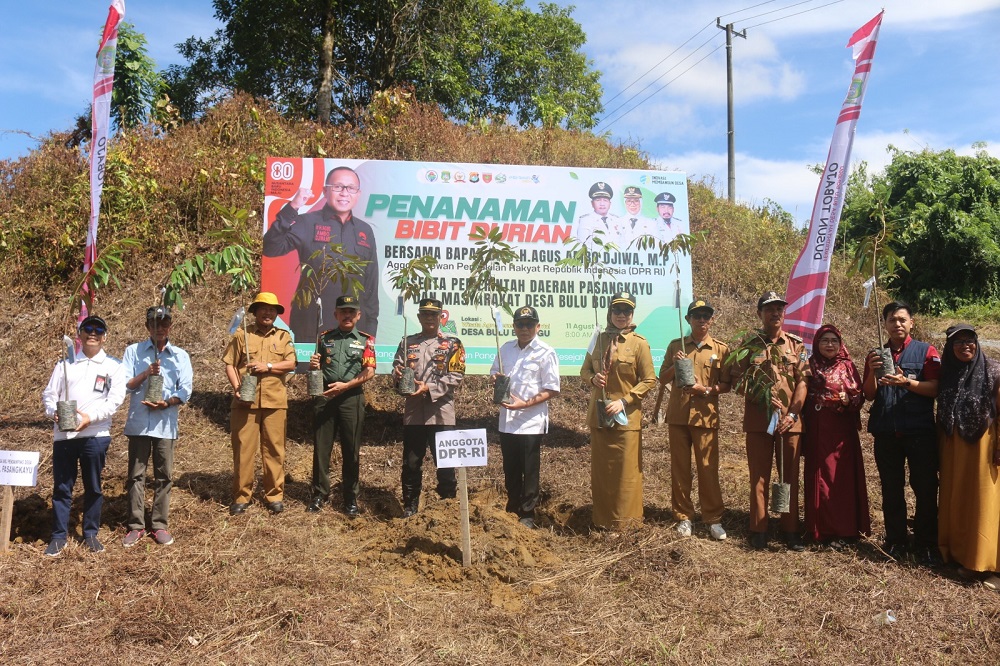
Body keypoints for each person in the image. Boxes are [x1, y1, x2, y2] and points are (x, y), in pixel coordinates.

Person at [41, 315, 127, 556]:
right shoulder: (65, 364)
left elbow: (114, 401)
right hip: (65, 437)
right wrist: (54, 412)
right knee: (62, 488)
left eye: (98, 329)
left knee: (93, 487)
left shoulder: (114, 366)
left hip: (96, 435)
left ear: (105, 336)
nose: (92, 333)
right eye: (87, 328)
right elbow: (49, 395)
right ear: (79, 335)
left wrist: (90, 418)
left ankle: (90, 533)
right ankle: (58, 536)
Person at [263, 165, 379, 340]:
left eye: (351, 188)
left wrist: (370, 330)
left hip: (353, 324)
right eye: (338, 187)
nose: (344, 193)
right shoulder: (306, 222)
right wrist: (293, 207)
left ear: (358, 194)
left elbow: (371, 283)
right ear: (325, 191)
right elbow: (271, 248)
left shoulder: (364, 230)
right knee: (308, 367)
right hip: (310, 320)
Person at [863, 301, 940, 563]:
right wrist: (873, 371)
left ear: (911, 323)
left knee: (926, 488)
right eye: (892, 320)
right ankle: (895, 540)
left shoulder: (926, 351)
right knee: (891, 489)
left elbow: (935, 389)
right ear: (884, 323)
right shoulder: (876, 354)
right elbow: (869, 394)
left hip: (919, 432)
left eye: (902, 320)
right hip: (886, 432)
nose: (897, 324)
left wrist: (907, 382)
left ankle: (926, 543)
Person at [732, 291, 807, 552]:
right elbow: (737, 380)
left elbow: (803, 382)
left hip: (789, 422)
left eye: (779, 309)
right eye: (769, 309)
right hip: (759, 420)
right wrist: (762, 396)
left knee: (790, 476)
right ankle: (759, 529)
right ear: (759, 314)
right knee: (759, 476)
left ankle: (790, 530)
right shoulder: (749, 345)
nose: (775, 313)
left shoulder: (797, 346)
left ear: (784, 313)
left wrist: (793, 414)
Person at [580, 291, 657, 529]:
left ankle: (627, 524)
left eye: (626, 311)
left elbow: (649, 379)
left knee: (626, 474)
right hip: (600, 417)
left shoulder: (639, 343)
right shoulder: (598, 339)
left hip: (626, 419)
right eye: (617, 310)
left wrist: (624, 401)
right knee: (603, 473)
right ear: (610, 312)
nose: (621, 315)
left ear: (632, 314)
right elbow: (584, 371)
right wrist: (593, 380)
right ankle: (602, 520)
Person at [658, 299, 732, 541]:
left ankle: (713, 519)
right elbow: (663, 378)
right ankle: (683, 517)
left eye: (706, 316)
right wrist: (677, 363)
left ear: (712, 320)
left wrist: (707, 390)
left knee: (708, 468)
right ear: (688, 320)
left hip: (705, 416)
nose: (701, 320)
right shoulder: (676, 346)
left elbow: (727, 384)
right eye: (696, 315)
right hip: (679, 416)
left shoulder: (720, 349)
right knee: (680, 468)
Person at [121, 306, 194, 548]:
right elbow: (126, 385)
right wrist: (146, 373)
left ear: (171, 326)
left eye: (164, 323)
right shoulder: (134, 351)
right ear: (147, 326)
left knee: (164, 475)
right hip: (140, 423)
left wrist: (167, 403)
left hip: (165, 424)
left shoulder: (180, 356)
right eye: (154, 323)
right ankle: (136, 525)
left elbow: (185, 389)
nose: (160, 328)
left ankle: (160, 524)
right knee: (136, 475)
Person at [936, 323, 1000, 590]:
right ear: (950, 348)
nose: (965, 346)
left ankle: (990, 566)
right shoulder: (949, 371)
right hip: (955, 445)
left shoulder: (993, 371)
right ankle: (964, 557)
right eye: (958, 342)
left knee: (985, 502)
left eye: (970, 340)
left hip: (984, 445)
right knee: (960, 499)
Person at [223, 292, 297, 516]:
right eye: (263, 308)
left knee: (274, 450)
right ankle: (241, 496)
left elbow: (292, 362)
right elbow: (230, 364)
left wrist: (269, 366)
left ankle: (274, 495)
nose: (268, 312)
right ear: (254, 311)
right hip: (245, 403)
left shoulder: (283, 337)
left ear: (276, 314)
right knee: (244, 450)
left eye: (272, 309)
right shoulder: (241, 335)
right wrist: (237, 387)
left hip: (275, 402)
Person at [392, 298, 465, 517]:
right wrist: (397, 376)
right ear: (419, 317)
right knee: (411, 463)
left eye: (434, 315)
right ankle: (410, 507)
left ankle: (448, 506)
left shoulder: (453, 344)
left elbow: (456, 375)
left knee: (445, 464)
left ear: (441, 316)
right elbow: (397, 370)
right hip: (414, 413)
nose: (430, 318)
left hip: (441, 412)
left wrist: (428, 388)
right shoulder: (408, 343)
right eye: (425, 314)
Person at [490, 306, 561, 529]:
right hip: (507, 419)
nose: (524, 329)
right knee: (510, 467)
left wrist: (526, 404)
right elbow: (494, 372)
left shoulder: (545, 352)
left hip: (531, 420)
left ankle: (528, 513)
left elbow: (552, 388)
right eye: (520, 324)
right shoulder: (506, 349)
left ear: (537, 327)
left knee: (529, 469)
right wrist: (495, 379)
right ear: (514, 327)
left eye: (529, 324)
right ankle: (512, 506)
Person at [306, 295, 376, 517]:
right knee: (321, 447)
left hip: (351, 398)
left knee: (351, 448)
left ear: (358, 315)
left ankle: (350, 497)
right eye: (342, 311)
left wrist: (345, 386)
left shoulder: (366, 340)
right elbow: (315, 369)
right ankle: (319, 493)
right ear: (335, 314)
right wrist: (314, 365)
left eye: (351, 312)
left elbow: (369, 371)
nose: (347, 315)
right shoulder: (324, 338)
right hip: (325, 396)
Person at [802, 324, 870, 548]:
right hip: (816, 428)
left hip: (841, 433)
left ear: (840, 344)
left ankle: (844, 530)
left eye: (833, 340)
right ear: (817, 344)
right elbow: (801, 393)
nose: (829, 345)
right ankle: (818, 529)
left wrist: (848, 401)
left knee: (840, 478)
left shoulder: (848, 366)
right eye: (824, 340)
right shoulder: (809, 365)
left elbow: (860, 397)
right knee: (818, 476)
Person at [573, 182, 623, 249]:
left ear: (610, 203)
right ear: (592, 203)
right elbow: (583, 246)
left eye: (605, 200)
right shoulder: (585, 220)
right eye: (598, 200)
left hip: (617, 258)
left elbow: (623, 244)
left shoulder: (617, 220)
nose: (602, 204)